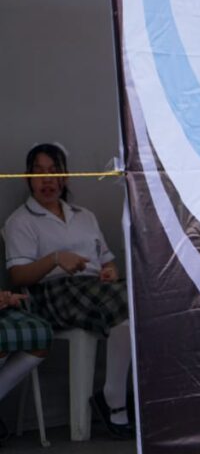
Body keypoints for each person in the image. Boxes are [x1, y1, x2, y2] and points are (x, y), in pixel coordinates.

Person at [3, 143, 131, 436]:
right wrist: (55, 259)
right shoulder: (20, 220)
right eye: (39, 172)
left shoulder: (84, 215)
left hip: (93, 289)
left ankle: (114, 395)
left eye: (54, 171)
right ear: (28, 178)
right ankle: (115, 403)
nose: (47, 180)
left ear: (65, 176)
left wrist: (109, 271)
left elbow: (107, 261)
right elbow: (18, 275)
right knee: (123, 302)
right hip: (51, 294)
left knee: (138, 300)